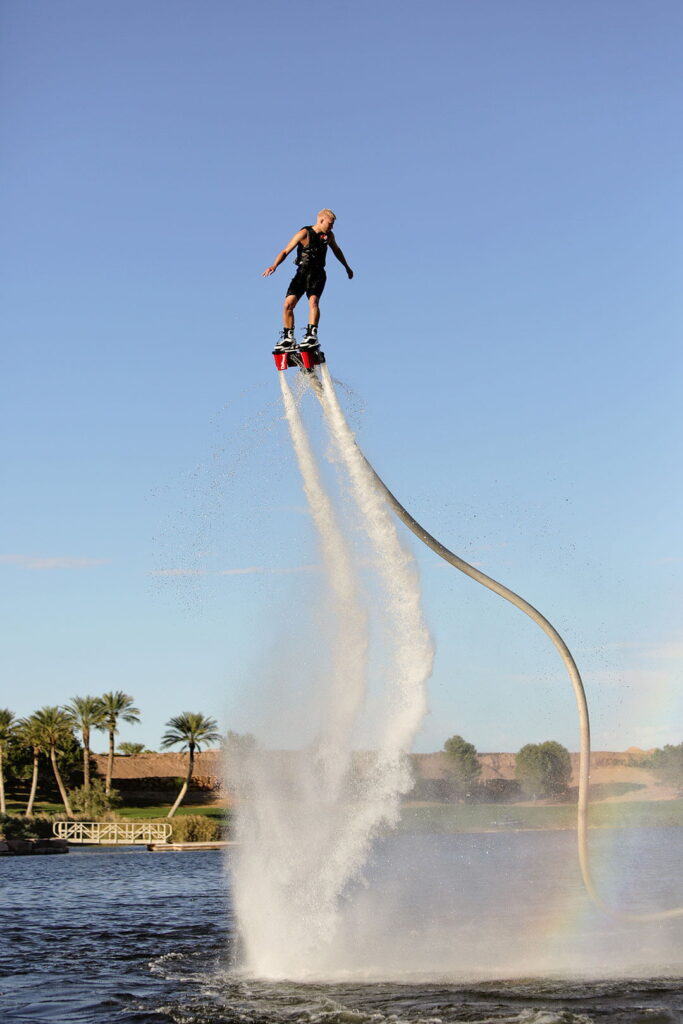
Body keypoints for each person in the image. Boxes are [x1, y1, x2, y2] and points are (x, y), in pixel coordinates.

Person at [262, 208, 353, 352]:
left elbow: (337, 250)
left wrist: (346, 267)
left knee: (313, 302)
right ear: (321, 220)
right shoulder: (304, 233)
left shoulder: (329, 236)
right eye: (330, 223)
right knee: (288, 304)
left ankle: (311, 335)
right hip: (302, 273)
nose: (332, 227)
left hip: (317, 273)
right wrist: (274, 265)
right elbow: (286, 251)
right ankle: (288, 337)